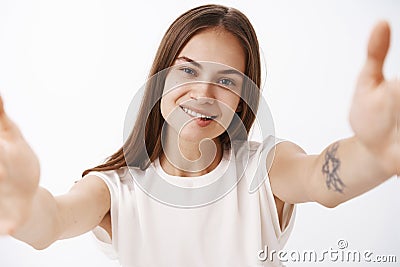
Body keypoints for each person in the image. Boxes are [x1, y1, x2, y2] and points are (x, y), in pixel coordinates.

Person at [0, 3, 398, 267]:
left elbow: (320, 179)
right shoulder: (115, 190)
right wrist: (22, 202)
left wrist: (373, 155)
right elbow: (52, 221)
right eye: (188, 70)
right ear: (160, 78)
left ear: (243, 97)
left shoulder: (265, 167)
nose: (205, 94)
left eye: (226, 80)